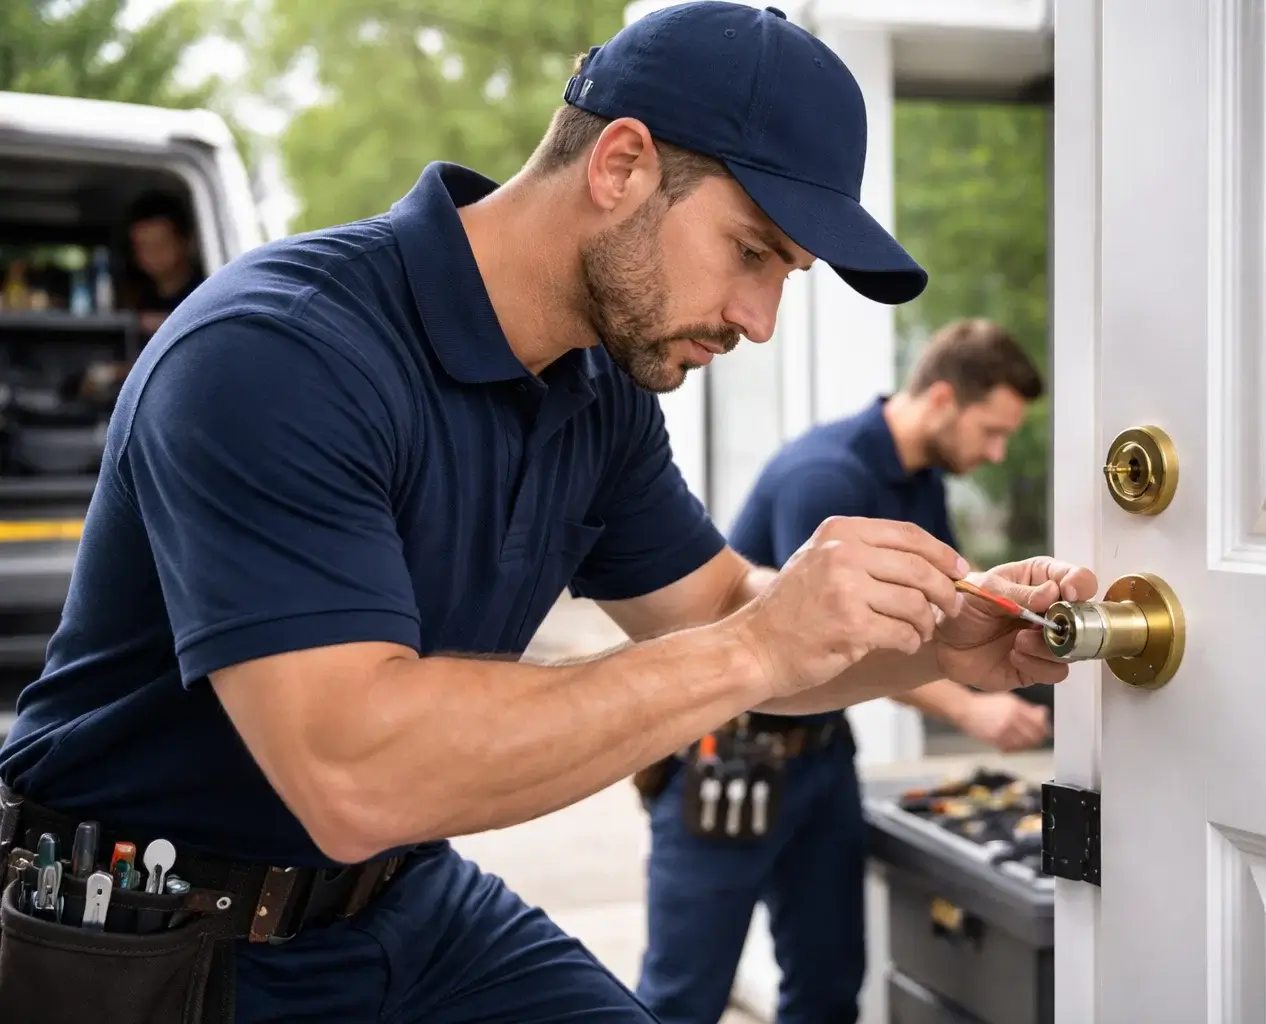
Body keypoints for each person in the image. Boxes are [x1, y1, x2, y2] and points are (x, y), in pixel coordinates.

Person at [0, 4, 1095, 1022]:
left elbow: (722, 607)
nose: (760, 319)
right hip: (151, 935)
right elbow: (354, 770)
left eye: (787, 274)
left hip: (401, 897)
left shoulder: (599, 392)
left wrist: (938, 642)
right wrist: (756, 645)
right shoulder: (276, 354)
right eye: (752, 250)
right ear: (620, 165)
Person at [635, 317, 1050, 1024]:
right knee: (680, 1001)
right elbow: (836, 642)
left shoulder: (921, 480)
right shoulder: (825, 477)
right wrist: (970, 709)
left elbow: (945, 611)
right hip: (728, 765)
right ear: (942, 399)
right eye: (991, 431)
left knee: (828, 994)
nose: (996, 452)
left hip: (824, 761)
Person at [124, 190, 205, 336]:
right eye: (143, 246)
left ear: (184, 242)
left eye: (161, 244)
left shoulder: (207, 292)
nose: (152, 254)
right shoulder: (134, 297)